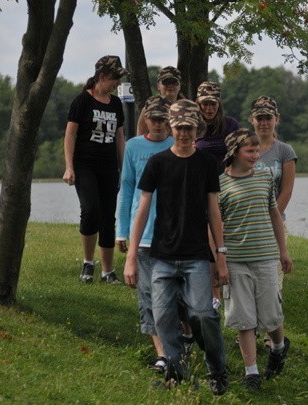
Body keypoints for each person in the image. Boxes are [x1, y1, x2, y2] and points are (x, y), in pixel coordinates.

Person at [123, 99, 230, 395]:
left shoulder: (207, 163)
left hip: (196, 255)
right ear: (171, 128)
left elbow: (213, 211)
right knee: (163, 317)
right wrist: (132, 256)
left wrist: (220, 256)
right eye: (179, 127)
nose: (183, 132)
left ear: (197, 129)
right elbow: (142, 209)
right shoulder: (158, 163)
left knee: (202, 313)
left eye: (189, 127)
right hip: (162, 256)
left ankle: (217, 370)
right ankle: (177, 372)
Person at [218, 128, 293, 391]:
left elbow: (275, 216)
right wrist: (221, 260)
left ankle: (279, 347)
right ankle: (252, 372)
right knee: (244, 317)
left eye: (257, 150)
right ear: (234, 152)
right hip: (237, 260)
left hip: (265, 258)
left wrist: (283, 251)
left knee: (271, 314)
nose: (256, 155)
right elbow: (216, 226)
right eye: (250, 151)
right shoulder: (220, 185)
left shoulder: (264, 179)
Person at [115, 95, 174, 374]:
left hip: (175, 235)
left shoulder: (179, 144)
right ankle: (162, 354)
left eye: (164, 119)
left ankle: (179, 345)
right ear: (146, 120)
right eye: (154, 118)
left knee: (178, 297)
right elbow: (126, 189)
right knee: (149, 298)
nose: (159, 124)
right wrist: (121, 231)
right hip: (145, 236)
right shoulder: (133, 146)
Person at [63, 55, 128, 284]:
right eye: (114, 78)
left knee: (108, 217)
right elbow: (70, 134)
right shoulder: (82, 100)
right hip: (85, 166)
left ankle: (107, 272)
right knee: (91, 210)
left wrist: (124, 167)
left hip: (109, 167)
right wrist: (69, 167)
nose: (117, 83)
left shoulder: (116, 104)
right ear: (102, 76)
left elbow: (120, 136)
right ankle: (88, 263)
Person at [249, 95, 297, 346]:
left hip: (274, 224)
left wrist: (272, 217)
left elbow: (286, 190)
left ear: (276, 119)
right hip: (246, 224)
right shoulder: (244, 147)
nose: (264, 123)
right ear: (252, 120)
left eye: (268, 118)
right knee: (248, 278)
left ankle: (272, 334)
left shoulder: (284, 151)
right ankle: (251, 330)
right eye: (260, 118)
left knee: (272, 280)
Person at [194, 81, 239, 304]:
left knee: (225, 238)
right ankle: (214, 293)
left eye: (213, 103)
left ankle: (230, 287)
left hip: (225, 187)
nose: (209, 108)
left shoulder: (230, 125)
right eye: (204, 103)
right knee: (207, 240)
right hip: (199, 189)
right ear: (198, 103)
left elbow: (236, 155)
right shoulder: (192, 126)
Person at [136, 66, 183, 136]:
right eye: (166, 82)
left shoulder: (186, 107)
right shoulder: (150, 107)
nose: (170, 85)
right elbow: (141, 131)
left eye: (174, 82)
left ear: (180, 86)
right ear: (158, 86)